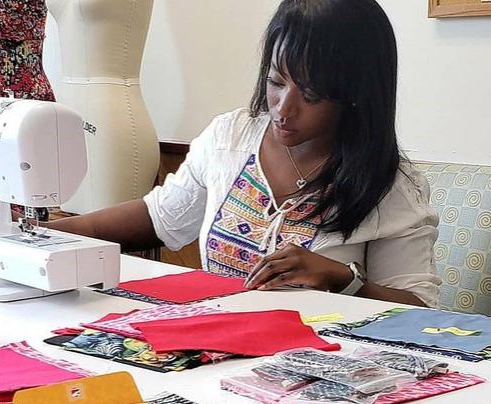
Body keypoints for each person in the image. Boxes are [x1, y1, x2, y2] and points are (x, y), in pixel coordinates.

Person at [47, 0, 440, 307]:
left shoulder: (391, 186)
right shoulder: (229, 139)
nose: (283, 109)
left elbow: (422, 312)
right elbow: (160, 216)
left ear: (356, 96)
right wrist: (41, 233)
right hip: (219, 351)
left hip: (321, 371)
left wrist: (344, 280)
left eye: (312, 95)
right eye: (275, 82)